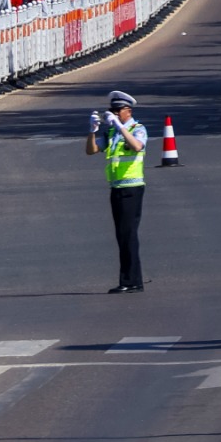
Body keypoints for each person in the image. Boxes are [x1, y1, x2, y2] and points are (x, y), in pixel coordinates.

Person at [89, 90, 147, 292]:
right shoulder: (112, 132)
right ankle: (131, 280)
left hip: (132, 188)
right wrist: (92, 131)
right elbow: (91, 150)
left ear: (128, 111)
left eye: (117, 110)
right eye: (111, 110)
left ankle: (131, 282)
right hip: (116, 188)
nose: (113, 114)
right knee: (122, 235)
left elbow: (137, 146)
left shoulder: (138, 129)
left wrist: (120, 127)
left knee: (128, 234)